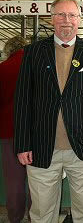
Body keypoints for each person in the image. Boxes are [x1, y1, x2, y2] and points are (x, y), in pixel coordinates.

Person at [14, 0, 83, 223]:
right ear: (51, 19)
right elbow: (23, 101)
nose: (67, 21)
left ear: (80, 20)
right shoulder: (32, 53)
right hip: (41, 148)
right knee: (41, 213)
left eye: (72, 16)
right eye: (61, 15)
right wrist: (22, 144)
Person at [0, 35, 31, 223]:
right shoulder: (36, 68)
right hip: (35, 132)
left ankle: (15, 218)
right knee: (39, 180)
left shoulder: (2, 69)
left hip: (8, 132)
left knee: (14, 181)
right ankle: (36, 217)